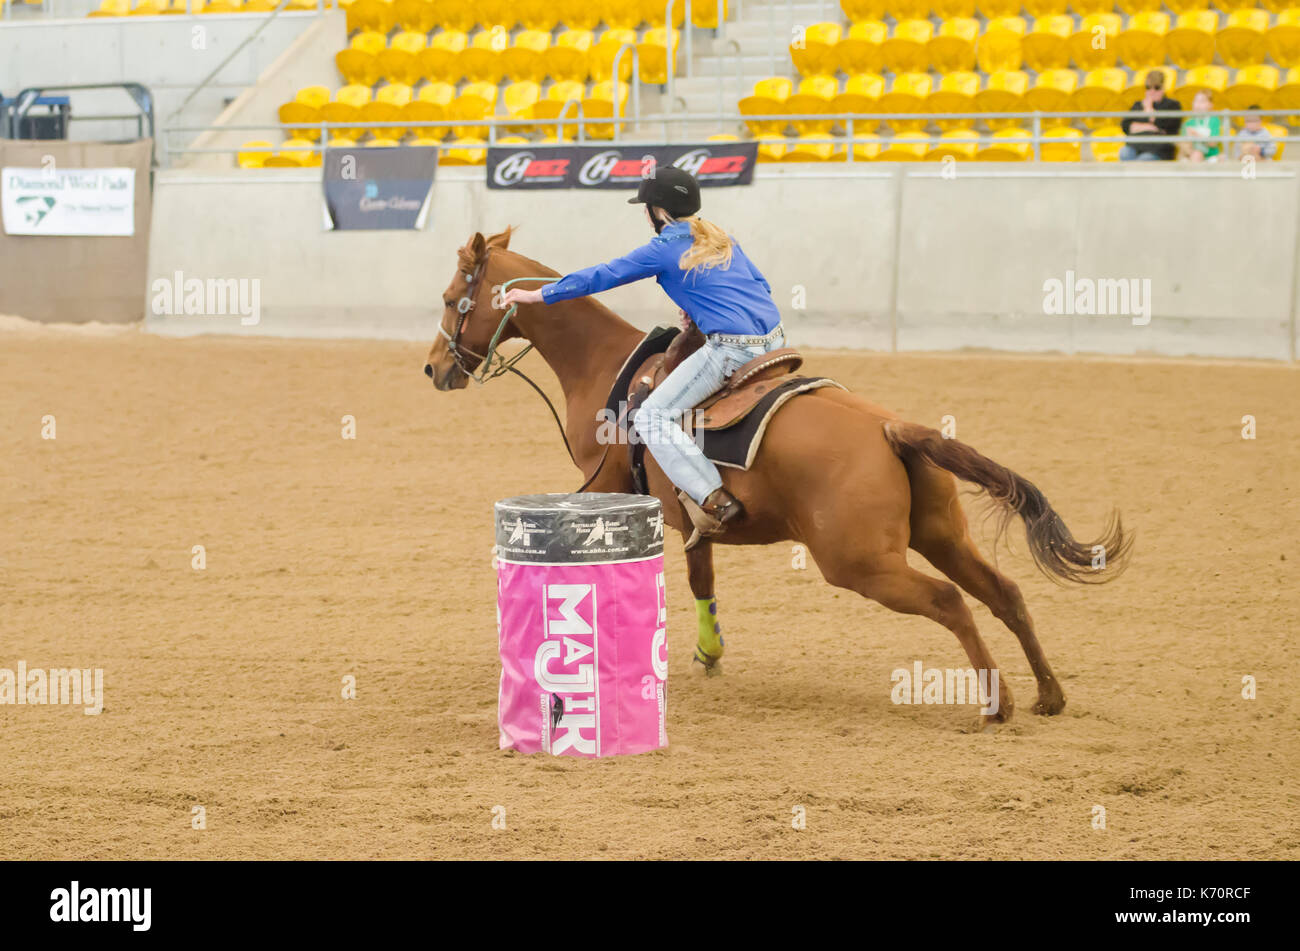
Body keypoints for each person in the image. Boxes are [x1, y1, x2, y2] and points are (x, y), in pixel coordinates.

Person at [500, 167, 785, 542]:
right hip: (777, 342)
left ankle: (713, 497)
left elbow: (603, 275)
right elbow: (760, 285)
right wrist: (702, 309)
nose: (644, 213)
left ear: (660, 211)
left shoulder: (664, 248)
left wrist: (538, 295)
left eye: (646, 207)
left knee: (651, 417)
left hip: (731, 350)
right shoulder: (722, 239)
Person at [1120, 70, 1182, 161]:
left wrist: (1149, 110)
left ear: (1163, 88)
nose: (1152, 91)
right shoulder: (1137, 105)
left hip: (1158, 149)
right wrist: (1150, 126)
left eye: (1156, 88)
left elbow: (1166, 127)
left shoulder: (1172, 105)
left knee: (1143, 159)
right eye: (1148, 87)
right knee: (1124, 152)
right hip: (1136, 145)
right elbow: (1126, 126)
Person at [1180, 90, 1223, 163]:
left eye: (1202, 101)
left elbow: (1213, 143)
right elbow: (1184, 146)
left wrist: (1196, 134)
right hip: (1193, 155)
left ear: (1210, 105)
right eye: (1196, 101)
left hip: (1211, 156)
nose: (1198, 104)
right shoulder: (1188, 123)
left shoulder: (1214, 120)